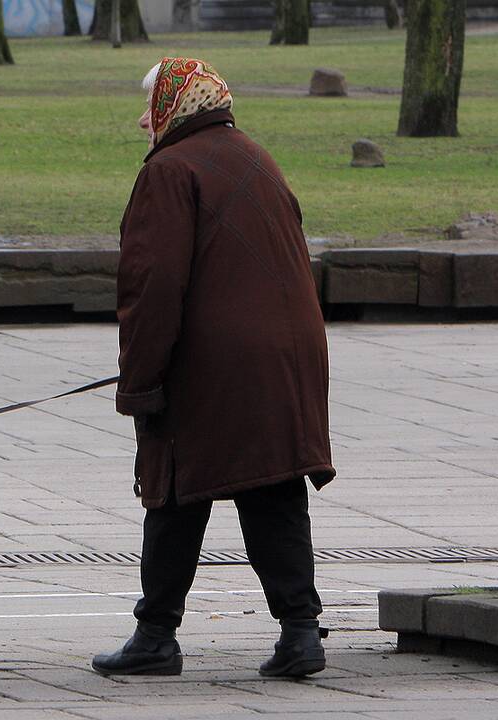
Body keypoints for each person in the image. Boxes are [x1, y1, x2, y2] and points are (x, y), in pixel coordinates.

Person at [91, 58, 336, 679]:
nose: (142, 118)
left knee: (174, 486)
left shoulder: (170, 170)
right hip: (285, 357)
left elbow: (153, 286)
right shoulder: (255, 155)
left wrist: (140, 380)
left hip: (212, 362)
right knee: (273, 485)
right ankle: (302, 634)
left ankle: (155, 635)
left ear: (176, 104)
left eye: (151, 104)